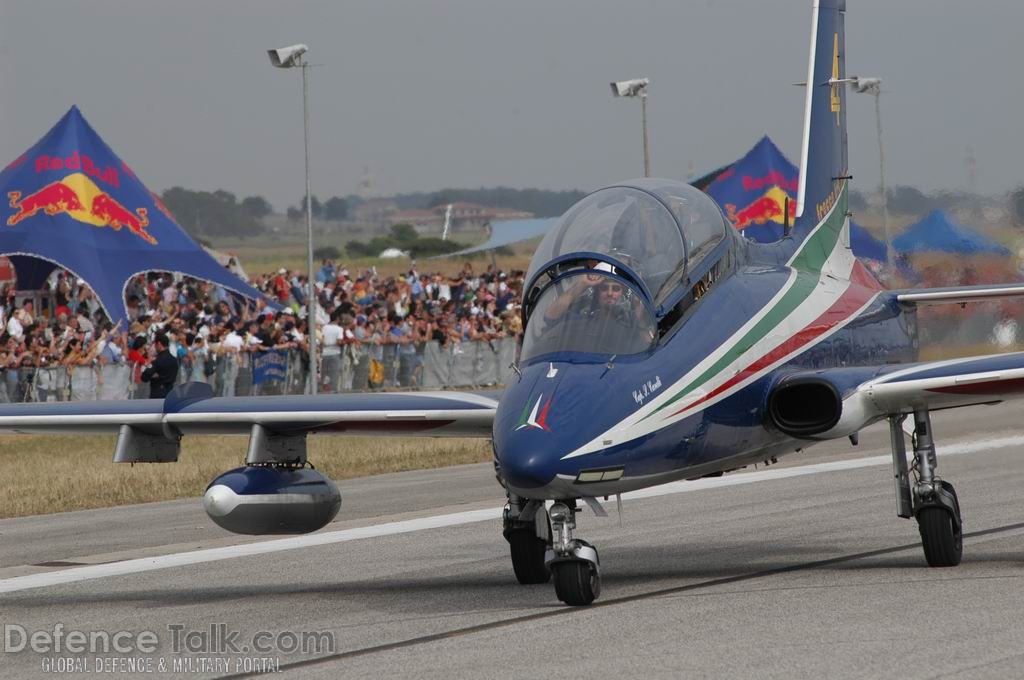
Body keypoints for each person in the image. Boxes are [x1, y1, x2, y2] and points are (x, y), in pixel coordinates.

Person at [140, 333, 178, 399]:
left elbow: (144, 377)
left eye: (155, 345)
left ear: (159, 344)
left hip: (157, 394)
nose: (154, 347)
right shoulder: (174, 360)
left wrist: (155, 375)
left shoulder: (157, 361)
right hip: (170, 393)